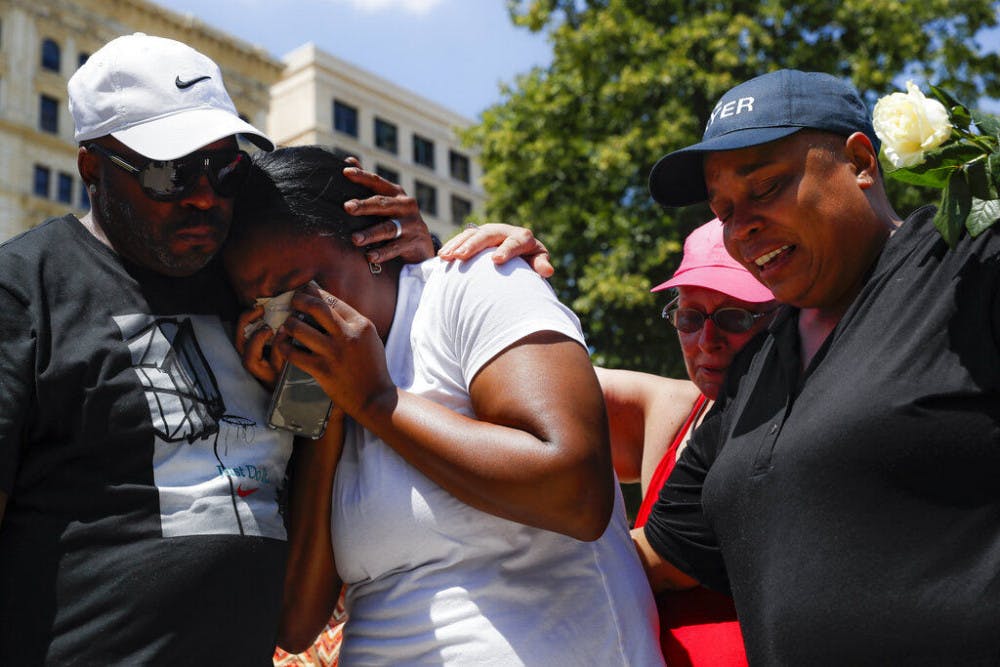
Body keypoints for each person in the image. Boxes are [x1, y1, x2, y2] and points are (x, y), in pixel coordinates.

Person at [0, 33, 432, 664]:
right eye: (170, 172)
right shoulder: (25, 290)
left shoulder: (257, 282)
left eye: (225, 168)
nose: (204, 194)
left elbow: (297, 618)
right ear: (93, 168)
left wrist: (430, 258)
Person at [223, 145, 665, 665]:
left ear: (371, 242)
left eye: (300, 292)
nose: (288, 321)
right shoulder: (313, 392)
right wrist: (330, 411)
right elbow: (297, 623)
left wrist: (377, 400)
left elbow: (576, 493)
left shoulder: (474, 281)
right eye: (263, 310)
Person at [634, 69, 1000, 664]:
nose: (740, 225)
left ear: (860, 162)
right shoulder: (751, 375)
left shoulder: (969, 264)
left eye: (767, 186)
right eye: (722, 209)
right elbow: (656, 557)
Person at [596, 217, 775, 667]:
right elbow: (526, 377)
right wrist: (490, 269)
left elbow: (651, 565)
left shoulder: (795, 419)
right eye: (690, 317)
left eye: (735, 316)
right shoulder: (674, 407)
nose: (706, 341)